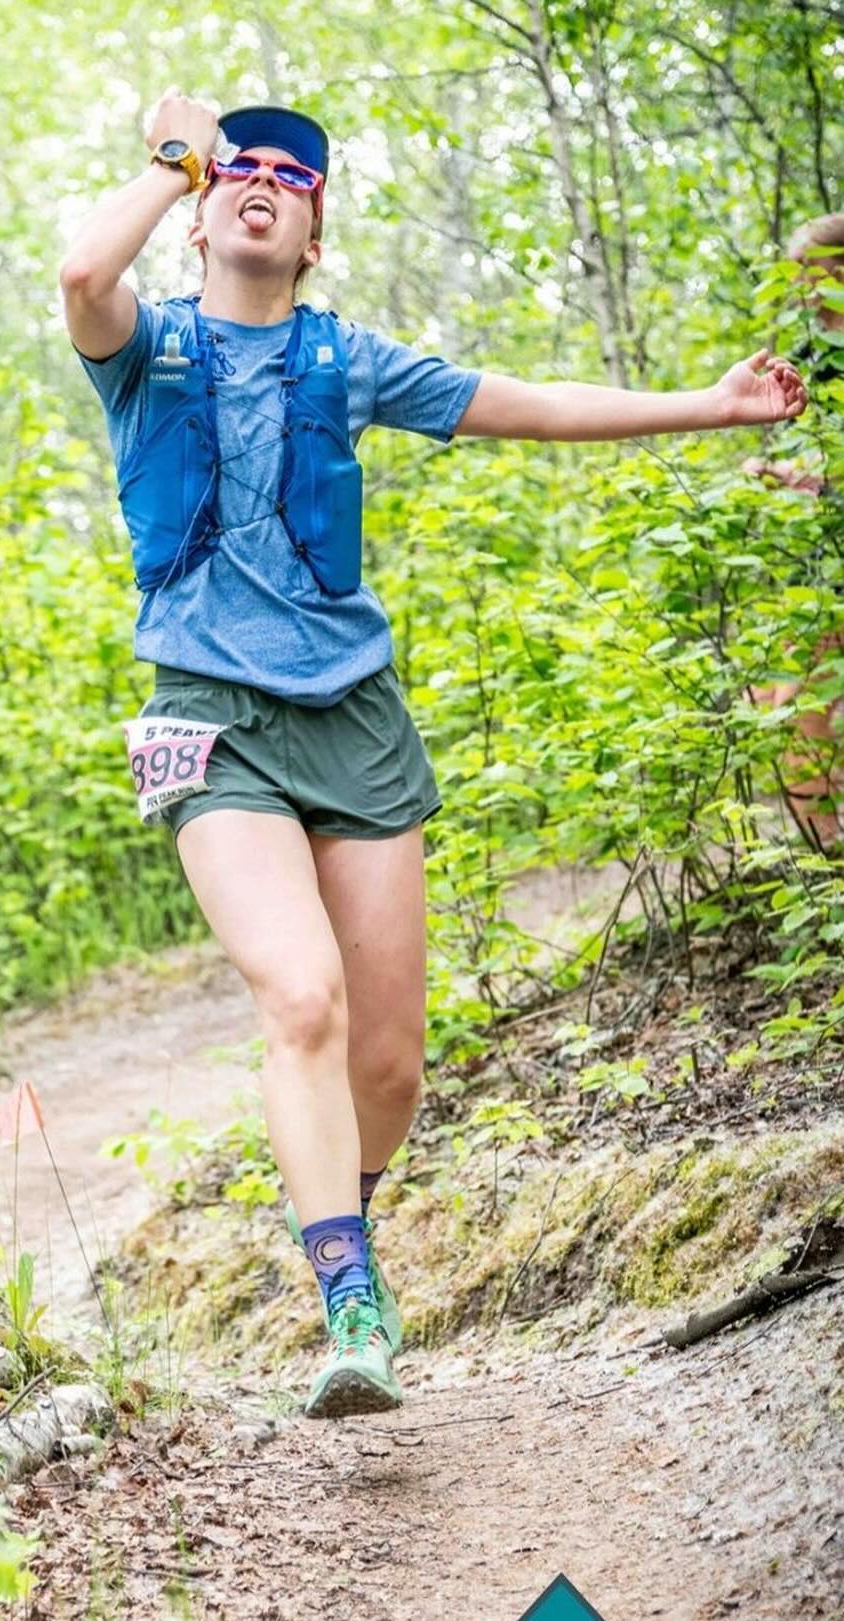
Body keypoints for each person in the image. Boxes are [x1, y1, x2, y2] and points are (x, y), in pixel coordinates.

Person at [58, 89, 808, 1420]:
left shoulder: (344, 362)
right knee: (301, 1002)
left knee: (389, 1064)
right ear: (198, 206)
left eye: (294, 179)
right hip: (206, 721)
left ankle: (344, 1212)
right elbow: (79, 270)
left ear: (314, 234)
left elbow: (533, 405)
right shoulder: (145, 348)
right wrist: (170, 161)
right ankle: (350, 1303)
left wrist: (716, 403)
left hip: (355, 718)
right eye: (242, 168)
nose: (263, 185)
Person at [743, 212, 844, 849]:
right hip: (813, 554)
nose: (801, 286)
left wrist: (799, 476)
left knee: (798, 691)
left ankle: (824, 848)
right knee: (782, 691)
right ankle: (821, 848)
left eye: (810, 270)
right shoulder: (809, 355)